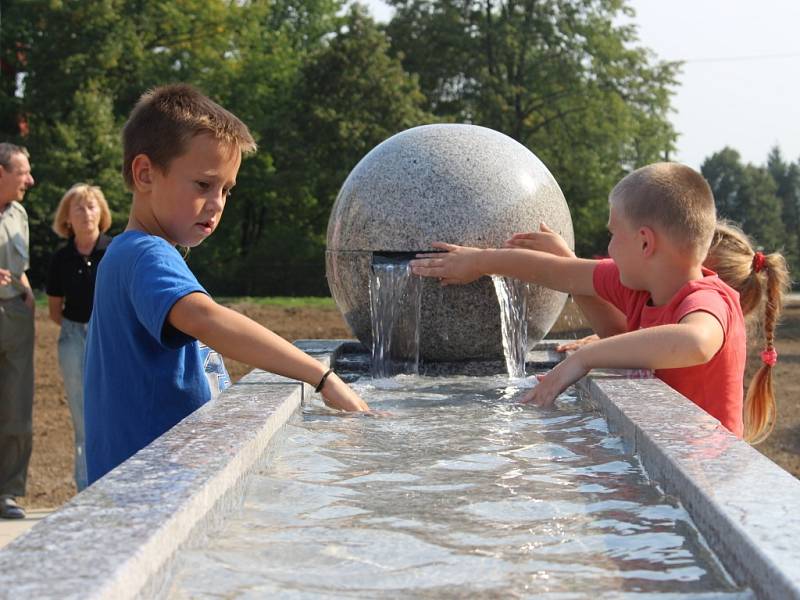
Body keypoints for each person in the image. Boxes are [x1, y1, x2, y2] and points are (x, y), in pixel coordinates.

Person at [84, 83, 369, 486]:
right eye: (203, 185)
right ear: (145, 174)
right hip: (149, 490)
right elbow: (207, 319)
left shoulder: (134, 253)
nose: (217, 202)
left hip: (147, 482)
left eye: (226, 190)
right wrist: (320, 377)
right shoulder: (145, 254)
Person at [411, 162, 768, 441]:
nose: (608, 247)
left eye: (613, 234)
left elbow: (694, 343)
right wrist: (478, 262)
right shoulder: (641, 284)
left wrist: (585, 359)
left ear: (645, 243)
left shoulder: (708, 300)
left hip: (704, 484)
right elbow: (556, 273)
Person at [506, 220, 790, 443]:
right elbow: (622, 335)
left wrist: (588, 356)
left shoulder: (704, 314)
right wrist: (568, 264)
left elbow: (692, 342)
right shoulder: (673, 316)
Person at [46, 184, 113, 491]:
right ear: (67, 219)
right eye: (78, 208)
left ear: (101, 214)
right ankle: (86, 489)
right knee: (83, 417)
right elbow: (55, 311)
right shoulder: (60, 259)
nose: (86, 214)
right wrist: (79, 330)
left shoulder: (115, 251)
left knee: (113, 409)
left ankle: (116, 484)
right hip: (73, 339)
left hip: (110, 339)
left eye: (91, 207)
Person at [0, 142, 36, 519]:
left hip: (15, 315)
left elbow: (19, 262)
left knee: (16, 407)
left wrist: (25, 288)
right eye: (22, 171)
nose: (30, 179)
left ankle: (7, 493)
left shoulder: (20, 214)